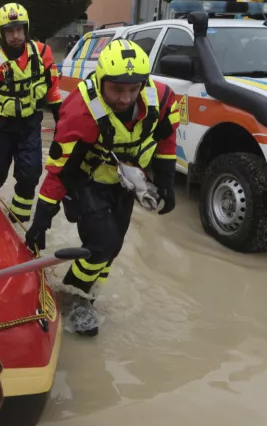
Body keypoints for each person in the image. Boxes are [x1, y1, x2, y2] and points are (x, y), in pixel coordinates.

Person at [24, 39, 180, 337]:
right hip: (84, 181)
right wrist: (42, 218)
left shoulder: (161, 98)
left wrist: (167, 182)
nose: (125, 98)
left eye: (132, 90)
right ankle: (73, 296)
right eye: (117, 89)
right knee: (102, 243)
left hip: (124, 183)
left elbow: (166, 139)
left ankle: (89, 295)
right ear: (102, 79)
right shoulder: (80, 110)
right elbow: (58, 170)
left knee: (113, 248)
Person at [0, 2, 62, 223]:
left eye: (20, 29)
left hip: (29, 126)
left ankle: (17, 223)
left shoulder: (43, 54)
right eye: (10, 31)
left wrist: (61, 121)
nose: (16, 36)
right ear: (1, 33)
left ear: (26, 29)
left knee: (30, 176)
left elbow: (53, 89)